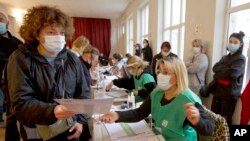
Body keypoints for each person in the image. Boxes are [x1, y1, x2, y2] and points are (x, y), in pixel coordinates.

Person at [7, 5, 91, 141]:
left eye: (62, 33)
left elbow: (83, 93)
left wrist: (81, 121)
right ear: (36, 34)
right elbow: (20, 102)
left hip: (70, 128)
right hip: (37, 132)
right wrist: (52, 111)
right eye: (51, 32)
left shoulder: (72, 59)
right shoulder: (20, 58)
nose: (58, 37)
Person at [100, 57, 214, 141]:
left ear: (178, 75)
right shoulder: (157, 93)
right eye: (159, 71)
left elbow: (209, 129)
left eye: (166, 72)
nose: (160, 75)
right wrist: (117, 115)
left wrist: (198, 120)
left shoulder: (189, 99)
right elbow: (139, 113)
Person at [210, 31, 246, 125]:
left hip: (229, 94)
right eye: (230, 41)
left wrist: (219, 72)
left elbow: (232, 74)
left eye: (235, 42)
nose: (232, 44)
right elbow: (215, 68)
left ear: (240, 44)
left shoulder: (241, 58)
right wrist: (225, 70)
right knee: (214, 117)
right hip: (218, 91)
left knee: (224, 122)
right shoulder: (225, 57)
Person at [0, 11, 23, 141]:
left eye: (0, 19)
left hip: (15, 81)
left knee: (14, 113)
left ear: (7, 22)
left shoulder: (17, 42)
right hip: (3, 82)